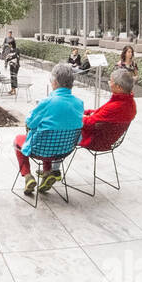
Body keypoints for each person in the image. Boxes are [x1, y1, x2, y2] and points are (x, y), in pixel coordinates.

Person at [15, 63, 84, 196]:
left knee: (18, 140)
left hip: (42, 148)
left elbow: (30, 122)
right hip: (64, 149)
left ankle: (28, 176)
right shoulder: (79, 103)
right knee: (50, 135)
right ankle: (47, 173)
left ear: (55, 82)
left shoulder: (47, 102)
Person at [80, 66, 137, 151]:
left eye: (111, 81)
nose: (109, 83)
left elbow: (90, 122)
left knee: (61, 131)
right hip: (106, 138)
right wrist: (85, 112)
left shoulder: (117, 106)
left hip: (95, 140)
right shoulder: (130, 102)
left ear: (119, 87)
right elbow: (103, 114)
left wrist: (74, 116)